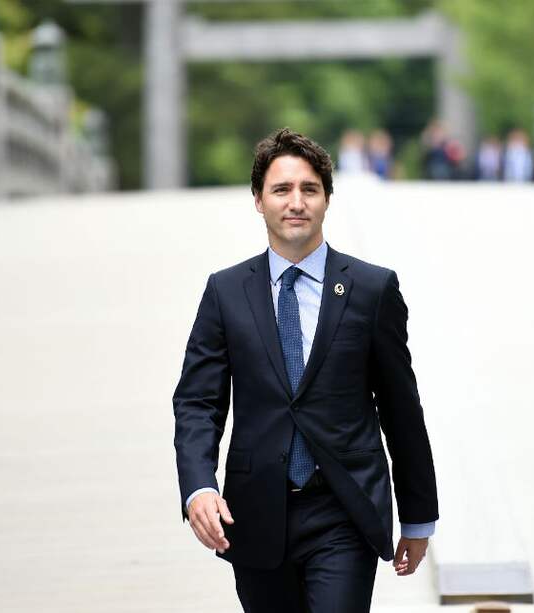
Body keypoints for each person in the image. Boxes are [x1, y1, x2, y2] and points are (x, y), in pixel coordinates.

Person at [173, 127, 439, 613]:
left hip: (344, 509)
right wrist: (198, 485)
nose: (296, 202)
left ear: (327, 199)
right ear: (258, 201)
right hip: (254, 512)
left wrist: (418, 518)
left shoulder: (371, 289)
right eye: (281, 190)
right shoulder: (226, 293)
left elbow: (402, 407)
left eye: (309, 189)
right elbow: (198, 402)